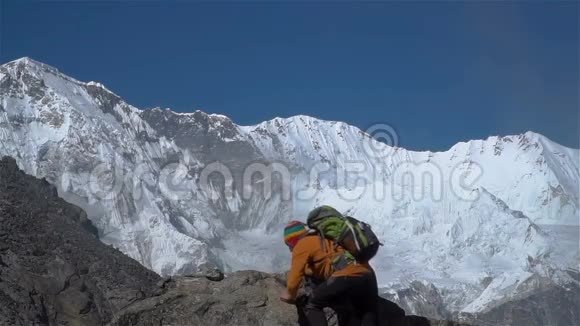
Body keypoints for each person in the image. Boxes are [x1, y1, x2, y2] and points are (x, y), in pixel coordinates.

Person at [279, 221, 352, 326]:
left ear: (294, 241)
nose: (290, 250)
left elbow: (294, 279)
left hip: (340, 279)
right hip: (355, 274)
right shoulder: (322, 238)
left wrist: (289, 294)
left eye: (289, 245)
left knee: (310, 304)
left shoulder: (302, 245)